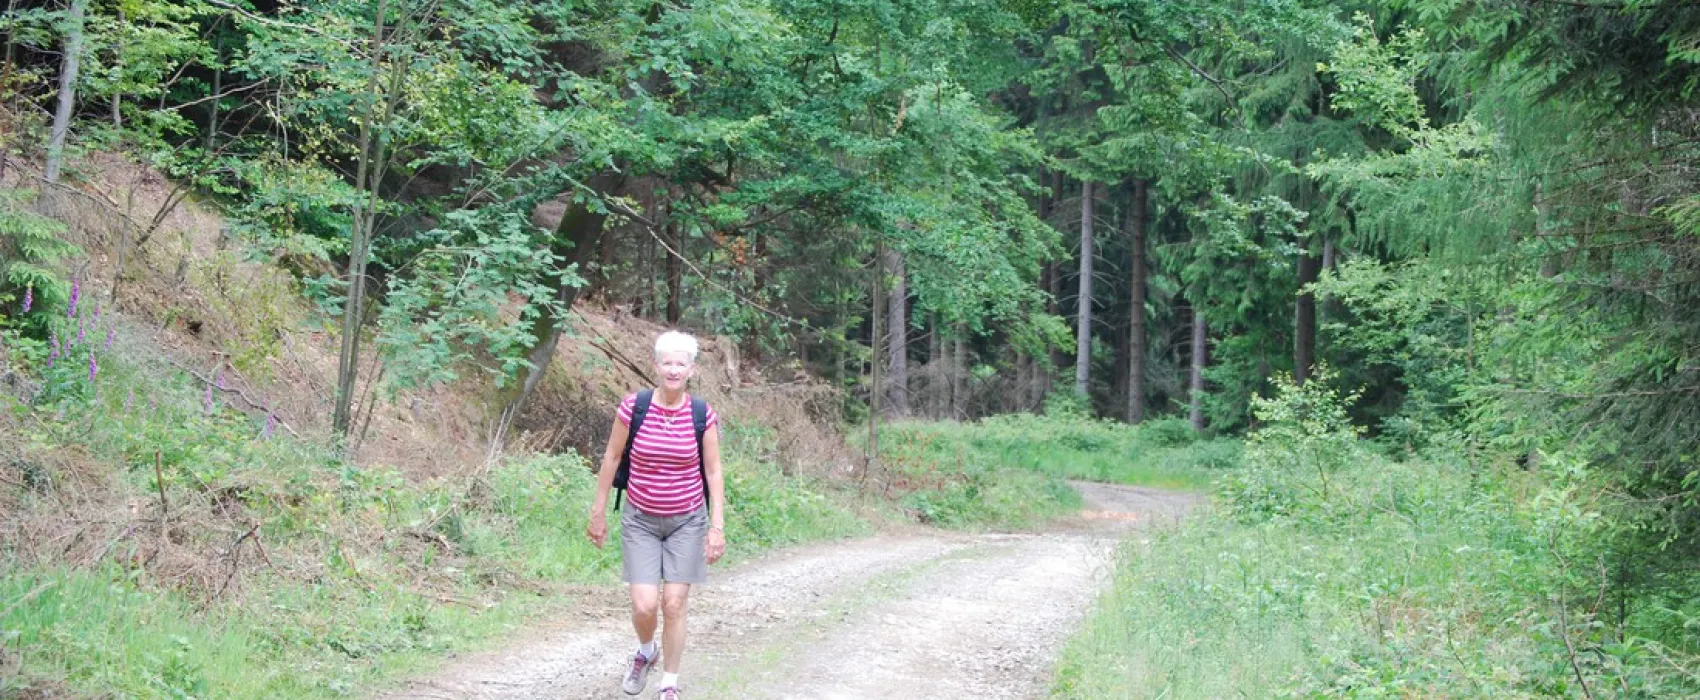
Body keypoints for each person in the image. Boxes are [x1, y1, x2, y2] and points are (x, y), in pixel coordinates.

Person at [586, 331, 727, 700]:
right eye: (667, 363)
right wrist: (598, 512)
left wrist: (716, 526)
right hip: (641, 519)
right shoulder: (634, 408)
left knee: (674, 603)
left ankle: (669, 682)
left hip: (687, 520)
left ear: (692, 369)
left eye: (681, 363)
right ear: (656, 365)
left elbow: (713, 472)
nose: (674, 370)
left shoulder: (702, 414)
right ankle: (646, 651)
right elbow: (611, 458)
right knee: (645, 605)